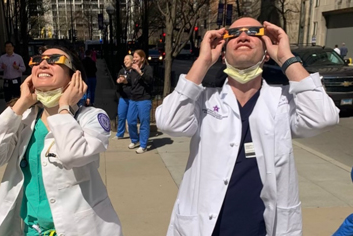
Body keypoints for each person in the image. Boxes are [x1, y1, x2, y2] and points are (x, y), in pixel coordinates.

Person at [156, 17, 339, 236]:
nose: (243, 36)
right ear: (223, 54)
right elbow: (169, 121)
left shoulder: (282, 101)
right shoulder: (204, 101)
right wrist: (203, 62)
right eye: (233, 34)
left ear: (266, 53)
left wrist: (286, 58)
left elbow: (323, 117)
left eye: (253, 32)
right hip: (207, 228)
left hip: (264, 229)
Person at [0, 45, 123, 236]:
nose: (43, 63)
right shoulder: (24, 118)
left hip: (77, 230)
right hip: (32, 231)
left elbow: (72, 155)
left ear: (73, 77)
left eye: (54, 60)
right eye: (37, 60)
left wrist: (64, 106)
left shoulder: (92, 118)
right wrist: (21, 104)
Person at [127, 49, 153, 154]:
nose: (134, 59)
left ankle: (143, 145)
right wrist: (123, 80)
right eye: (134, 57)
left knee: (144, 123)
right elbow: (130, 82)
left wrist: (139, 71)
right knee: (130, 121)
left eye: (136, 57)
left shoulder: (148, 69)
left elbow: (149, 81)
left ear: (142, 58)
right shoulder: (132, 70)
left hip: (144, 99)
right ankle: (134, 140)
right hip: (133, 99)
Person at [114, 55, 133, 139]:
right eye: (124, 60)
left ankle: (133, 134)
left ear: (132, 61)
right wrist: (118, 81)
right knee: (121, 116)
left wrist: (126, 81)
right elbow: (118, 80)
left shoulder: (135, 71)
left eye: (127, 59)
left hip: (133, 97)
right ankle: (120, 134)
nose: (125, 61)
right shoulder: (122, 71)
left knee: (131, 118)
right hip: (123, 97)